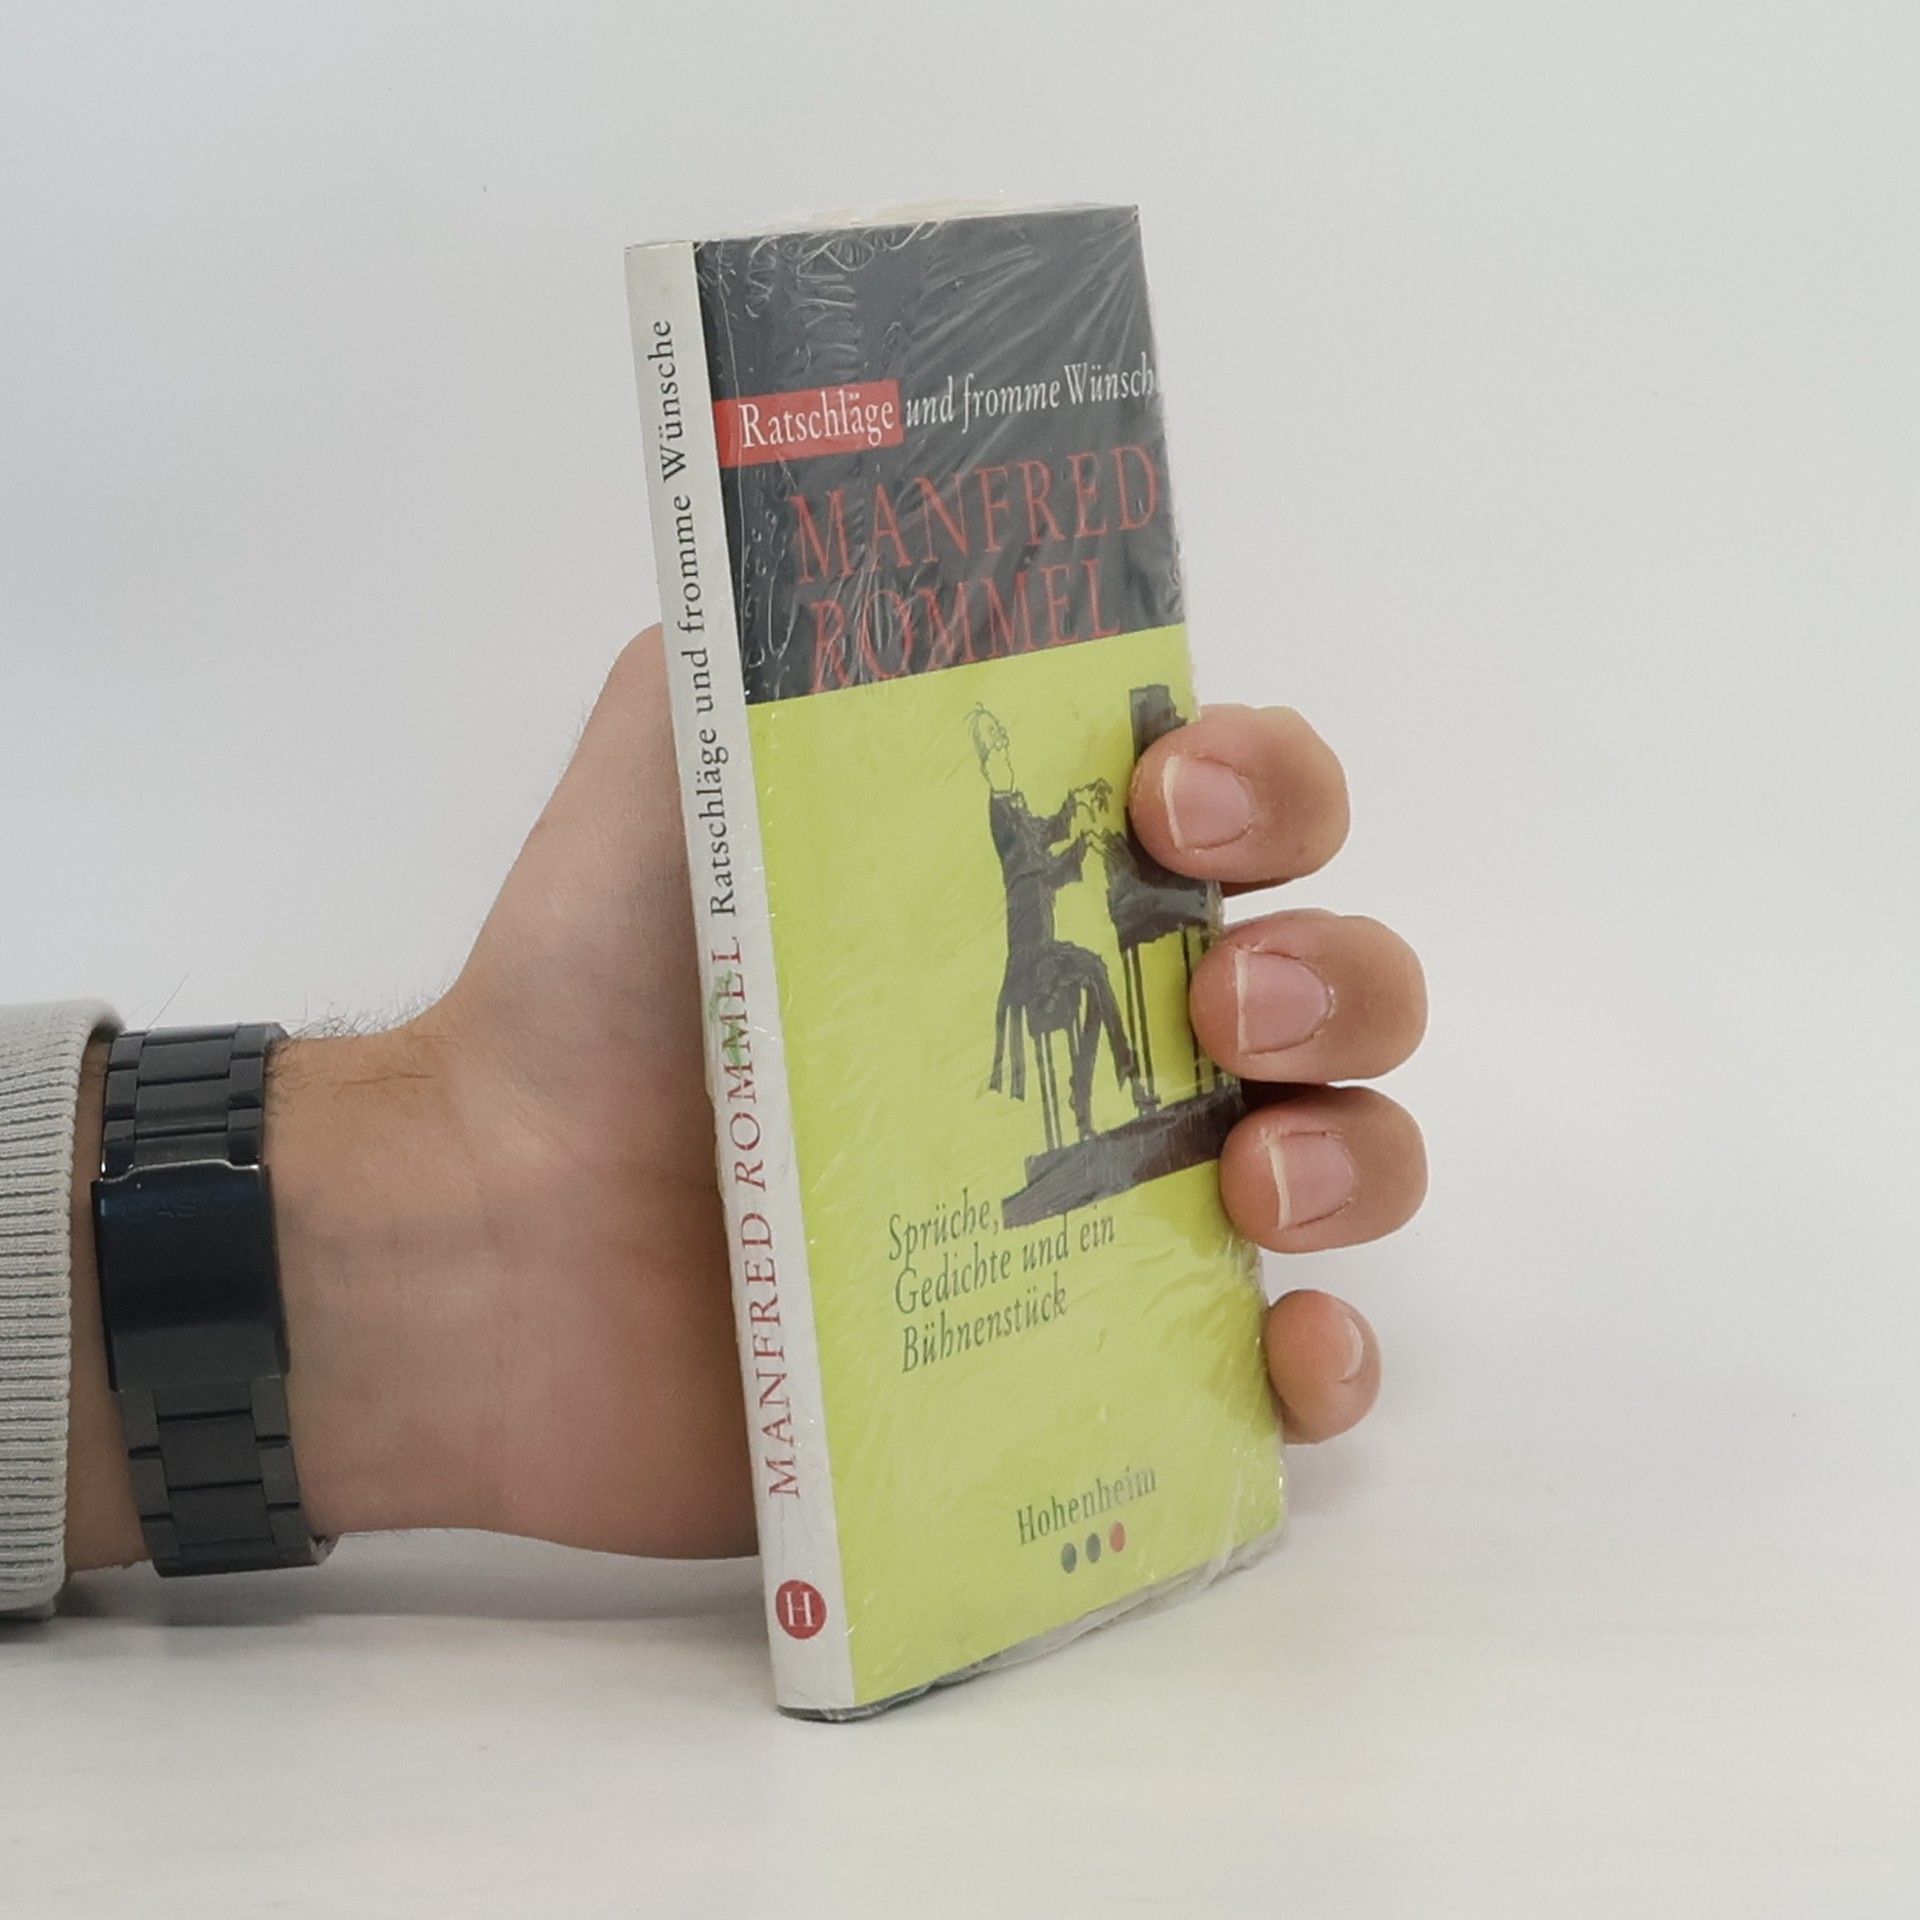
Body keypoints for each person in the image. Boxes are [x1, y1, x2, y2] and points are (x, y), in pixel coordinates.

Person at [0, 629, 1429, 1617]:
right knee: (1102, 1001)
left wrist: (439, 1213)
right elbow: (1032, 846)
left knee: (1137, 1018)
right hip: (1020, 965)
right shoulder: (1001, 822)